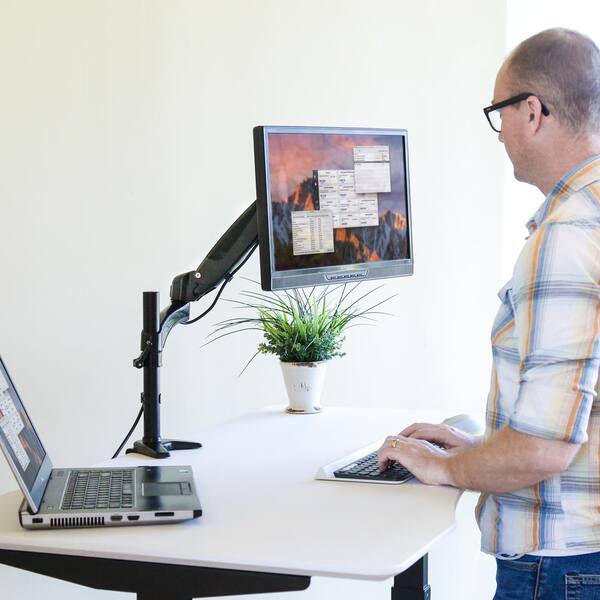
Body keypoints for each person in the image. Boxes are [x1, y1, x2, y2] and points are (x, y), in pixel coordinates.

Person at [377, 28, 600, 599]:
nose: (498, 134)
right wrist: (475, 448)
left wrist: (442, 468)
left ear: (533, 112)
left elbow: (544, 448)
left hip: (560, 563)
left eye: (498, 113)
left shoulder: (567, 236)